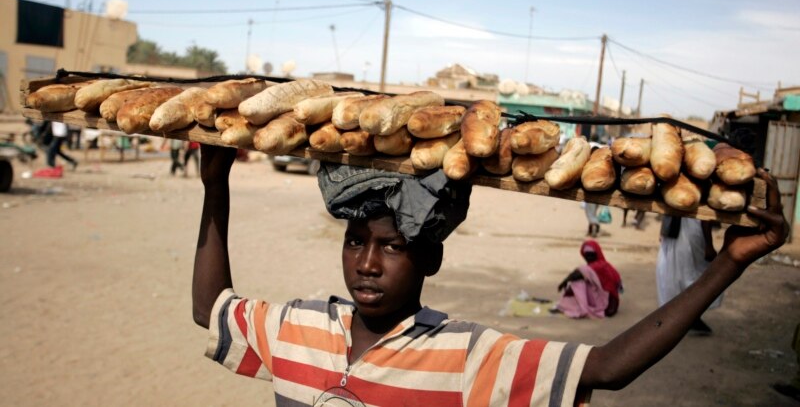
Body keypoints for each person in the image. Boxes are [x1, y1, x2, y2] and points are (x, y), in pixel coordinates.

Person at [193, 144, 788, 406]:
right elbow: (211, 307)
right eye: (356, 244)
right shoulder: (300, 327)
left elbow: (606, 368)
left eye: (392, 247)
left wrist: (729, 263)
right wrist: (215, 187)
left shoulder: (465, 356)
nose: (366, 265)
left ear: (430, 258)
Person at [656, 217, 720, 335]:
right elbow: (706, 218)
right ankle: (688, 318)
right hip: (685, 234)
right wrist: (709, 244)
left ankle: (685, 317)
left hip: (685, 234)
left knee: (680, 276)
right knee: (688, 277)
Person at [556, 240, 622, 318]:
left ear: (596, 254)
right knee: (583, 277)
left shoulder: (596, 267)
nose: (589, 258)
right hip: (612, 305)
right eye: (587, 255)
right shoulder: (606, 265)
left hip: (608, 306)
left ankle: (574, 306)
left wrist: (564, 282)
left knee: (577, 282)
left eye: (591, 255)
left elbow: (578, 273)